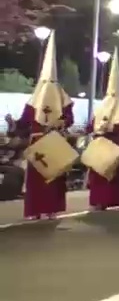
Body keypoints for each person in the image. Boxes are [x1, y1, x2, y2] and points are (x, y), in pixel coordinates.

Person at [17, 31, 73, 220]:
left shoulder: (62, 98)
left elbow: (69, 119)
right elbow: (24, 122)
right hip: (39, 143)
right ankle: (36, 210)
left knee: (53, 178)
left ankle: (50, 209)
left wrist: (61, 122)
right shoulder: (35, 98)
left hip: (53, 141)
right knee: (37, 179)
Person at [86, 52, 119, 211]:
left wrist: (113, 128)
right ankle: (100, 201)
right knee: (100, 174)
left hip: (117, 145)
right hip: (101, 144)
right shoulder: (100, 109)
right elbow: (91, 125)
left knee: (118, 175)